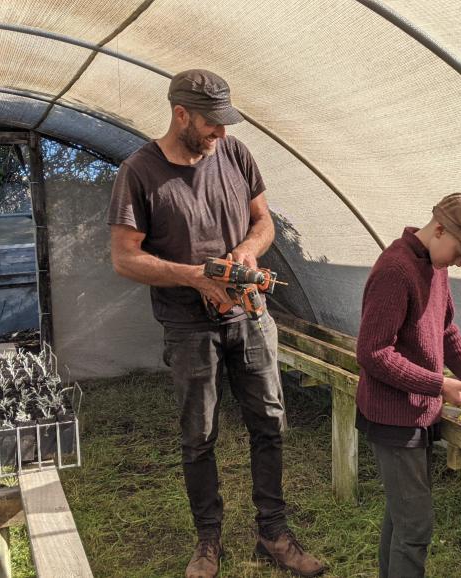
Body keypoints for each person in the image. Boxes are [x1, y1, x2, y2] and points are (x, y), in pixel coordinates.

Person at [107, 69, 324, 578]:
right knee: (199, 434)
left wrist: (245, 253)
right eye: (212, 124)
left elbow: (263, 221)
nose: (221, 134)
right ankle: (209, 541)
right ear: (181, 114)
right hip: (188, 327)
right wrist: (196, 277)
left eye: (226, 124)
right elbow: (124, 258)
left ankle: (274, 532)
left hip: (249, 315)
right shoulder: (138, 172)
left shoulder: (235, 154)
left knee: (269, 423)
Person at [355, 193, 461, 577]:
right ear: (439, 229)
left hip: (417, 414)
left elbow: (446, 328)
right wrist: (440, 385)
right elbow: (373, 354)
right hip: (393, 418)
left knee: (401, 517)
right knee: (415, 526)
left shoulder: (434, 268)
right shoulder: (396, 271)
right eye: (460, 252)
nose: (459, 262)